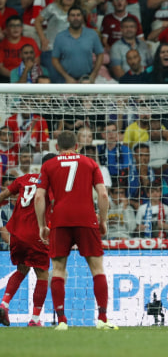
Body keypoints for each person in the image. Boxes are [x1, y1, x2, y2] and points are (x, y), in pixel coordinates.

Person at [34, 131, 117, 330]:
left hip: (60, 220)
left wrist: (41, 226)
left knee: (59, 269)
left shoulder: (48, 165)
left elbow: (38, 197)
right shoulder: (89, 163)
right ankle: (102, 319)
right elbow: (103, 194)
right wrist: (103, 221)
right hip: (86, 219)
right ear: (77, 146)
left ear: (56, 147)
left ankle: (62, 320)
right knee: (97, 268)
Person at [0, 153, 56, 327]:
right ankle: (36, 319)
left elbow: (4, 195)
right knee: (43, 274)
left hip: (16, 232)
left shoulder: (24, 178)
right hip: (36, 234)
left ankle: (4, 304)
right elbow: (57, 205)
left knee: (22, 268)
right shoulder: (52, 185)